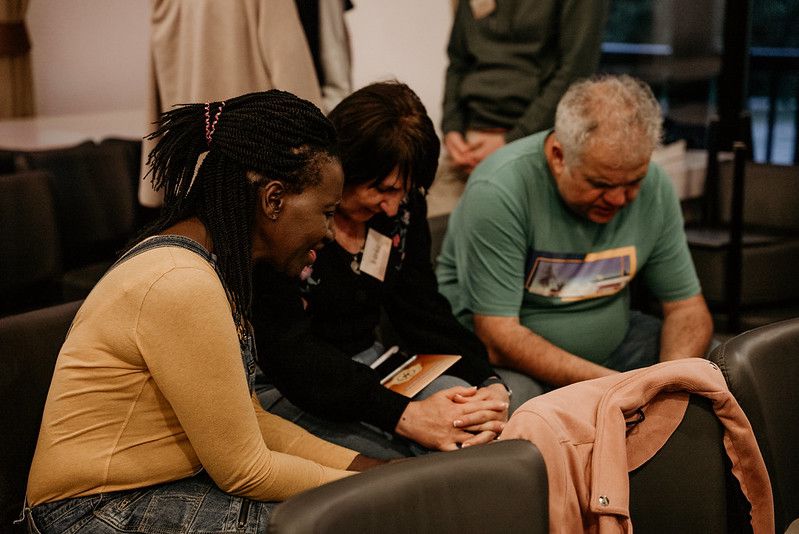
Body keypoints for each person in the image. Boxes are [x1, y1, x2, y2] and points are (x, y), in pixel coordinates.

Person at [24, 91, 384, 533]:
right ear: (274, 200)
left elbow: (249, 422)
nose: (329, 231)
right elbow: (245, 469)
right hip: (89, 512)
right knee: (347, 520)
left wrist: (366, 469)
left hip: (149, 490)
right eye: (326, 212)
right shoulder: (181, 280)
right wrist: (373, 491)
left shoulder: (205, 264)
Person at [252, 82, 541, 459]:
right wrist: (406, 416)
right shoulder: (292, 218)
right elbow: (291, 355)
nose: (391, 207)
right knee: (414, 459)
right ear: (342, 167)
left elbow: (422, 311)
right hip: (289, 379)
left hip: (374, 363)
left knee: (475, 425)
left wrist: (486, 380)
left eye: (402, 192)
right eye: (381, 189)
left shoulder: (400, 211)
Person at [436, 75, 714, 390]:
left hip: (618, 350)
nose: (619, 199)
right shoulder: (499, 190)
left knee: (717, 369)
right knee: (513, 409)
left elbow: (686, 308)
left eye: (633, 182)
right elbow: (498, 336)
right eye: (601, 185)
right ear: (558, 156)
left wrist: (670, 381)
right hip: (513, 362)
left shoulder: (656, 186)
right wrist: (620, 390)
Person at [139, 0, 324, 208]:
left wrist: (154, 178)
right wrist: (319, 161)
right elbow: (292, 73)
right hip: (257, 167)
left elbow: (157, 81)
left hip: (191, 169)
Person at [441, 0, 609, 174]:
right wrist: (451, 129)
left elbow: (575, 71)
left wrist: (513, 140)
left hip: (538, 143)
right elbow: (457, 61)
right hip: (468, 143)